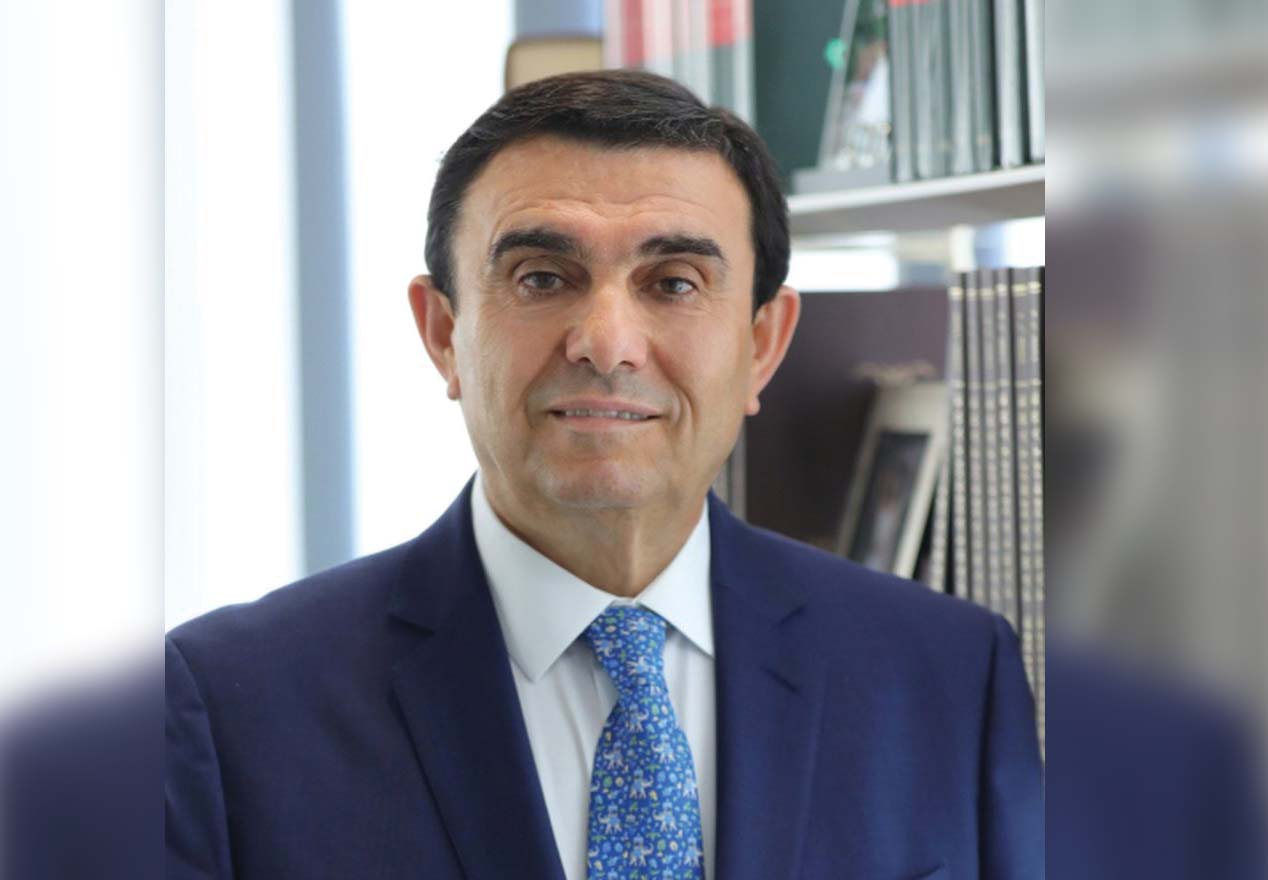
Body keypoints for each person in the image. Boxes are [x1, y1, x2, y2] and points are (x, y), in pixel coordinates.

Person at [166, 70, 1042, 880]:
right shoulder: (228, 708)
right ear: (443, 335)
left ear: (762, 346)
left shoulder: (949, 675)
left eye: (675, 284)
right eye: (543, 277)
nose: (607, 344)